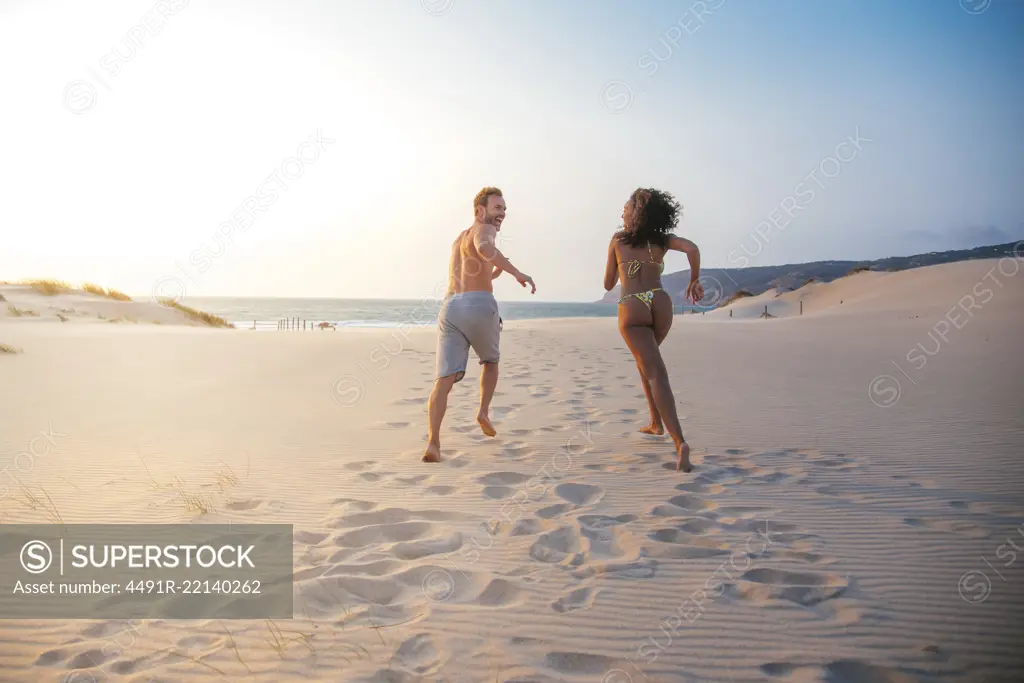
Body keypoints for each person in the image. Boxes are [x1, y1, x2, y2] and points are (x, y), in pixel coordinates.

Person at [424, 187, 536, 463]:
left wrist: (495, 272)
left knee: (443, 380)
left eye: (504, 208)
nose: (502, 213)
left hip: (451, 307)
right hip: (479, 305)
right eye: (497, 207)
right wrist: (517, 272)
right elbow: (485, 249)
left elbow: (475, 266)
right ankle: (483, 411)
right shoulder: (485, 229)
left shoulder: (459, 239)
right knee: (490, 361)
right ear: (480, 211)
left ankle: (434, 443)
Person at [604, 188, 703, 472]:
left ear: (635, 213)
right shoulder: (661, 239)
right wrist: (694, 279)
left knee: (655, 371)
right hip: (660, 303)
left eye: (624, 209)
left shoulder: (618, 240)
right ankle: (655, 422)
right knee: (646, 362)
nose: (621, 214)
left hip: (633, 305)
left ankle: (679, 442)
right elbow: (692, 249)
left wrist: (620, 267)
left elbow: (608, 284)